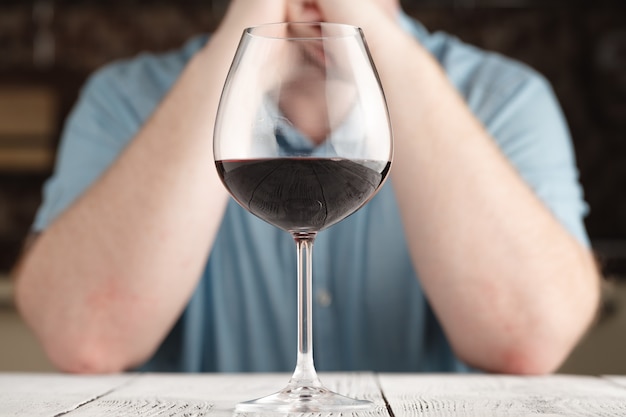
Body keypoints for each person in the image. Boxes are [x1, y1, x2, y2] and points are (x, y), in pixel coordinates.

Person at [13, 0, 600, 375]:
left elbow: (530, 340)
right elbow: (83, 340)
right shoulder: (124, 98)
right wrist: (250, 33)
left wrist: (369, 30)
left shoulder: (503, 97)